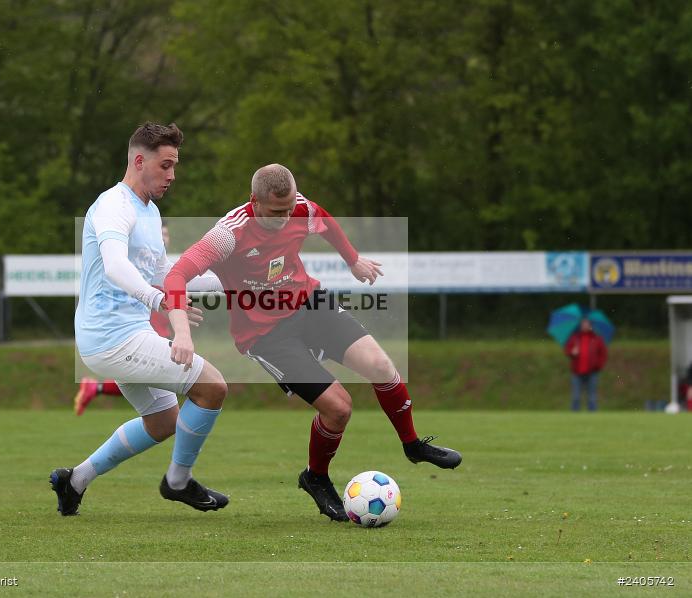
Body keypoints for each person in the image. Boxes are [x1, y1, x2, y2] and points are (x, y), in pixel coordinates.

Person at [163, 163, 461, 522]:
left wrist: (353, 260)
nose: (288, 216)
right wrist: (181, 331)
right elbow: (177, 274)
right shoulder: (229, 234)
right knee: (339, 408)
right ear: (254, 201)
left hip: (310, 302)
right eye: (277, 212)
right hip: (265, 334)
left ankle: (412, 444)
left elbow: (326, 221)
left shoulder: (299, 208)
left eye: (290, 208)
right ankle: (315, 477)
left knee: (382, 366)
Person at [50, 122, 229, 516]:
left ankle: (74, 481)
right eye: (165, 166)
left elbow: (164, 276)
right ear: (138, 160)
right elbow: (115, 266)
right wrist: (160, 302)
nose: (172, 175)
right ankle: (178, 482)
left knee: (165, 420)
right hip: (114, 337)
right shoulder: (115, 205)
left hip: (124, 336)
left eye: (174, 166)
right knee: (212, 387)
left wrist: (233, 284)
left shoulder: (148, 211)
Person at [73, 219, 221, 415]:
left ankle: (96, 388)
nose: (163, 239)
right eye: (160, 235)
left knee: (164, 420)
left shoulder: (161, 264)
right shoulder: (134, 264)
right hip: (139, 331)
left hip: (153, 330)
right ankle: (96, 388)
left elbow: (178, 283)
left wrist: (228, 284)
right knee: (206, 385)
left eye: (166, 235)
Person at [564, 317, 608, 411]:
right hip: (577, 371)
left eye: (587, 324)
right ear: (580, 325)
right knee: (576, 396)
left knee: (592, 396)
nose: (585, 326)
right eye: (583, 324)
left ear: (590, 326)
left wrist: (598, 366)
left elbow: (603, 354)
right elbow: (567, 350)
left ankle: (592, 417)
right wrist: (572, 352)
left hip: (592, 371)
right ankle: (574, 416)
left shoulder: (597, 338)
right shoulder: (574, 338)